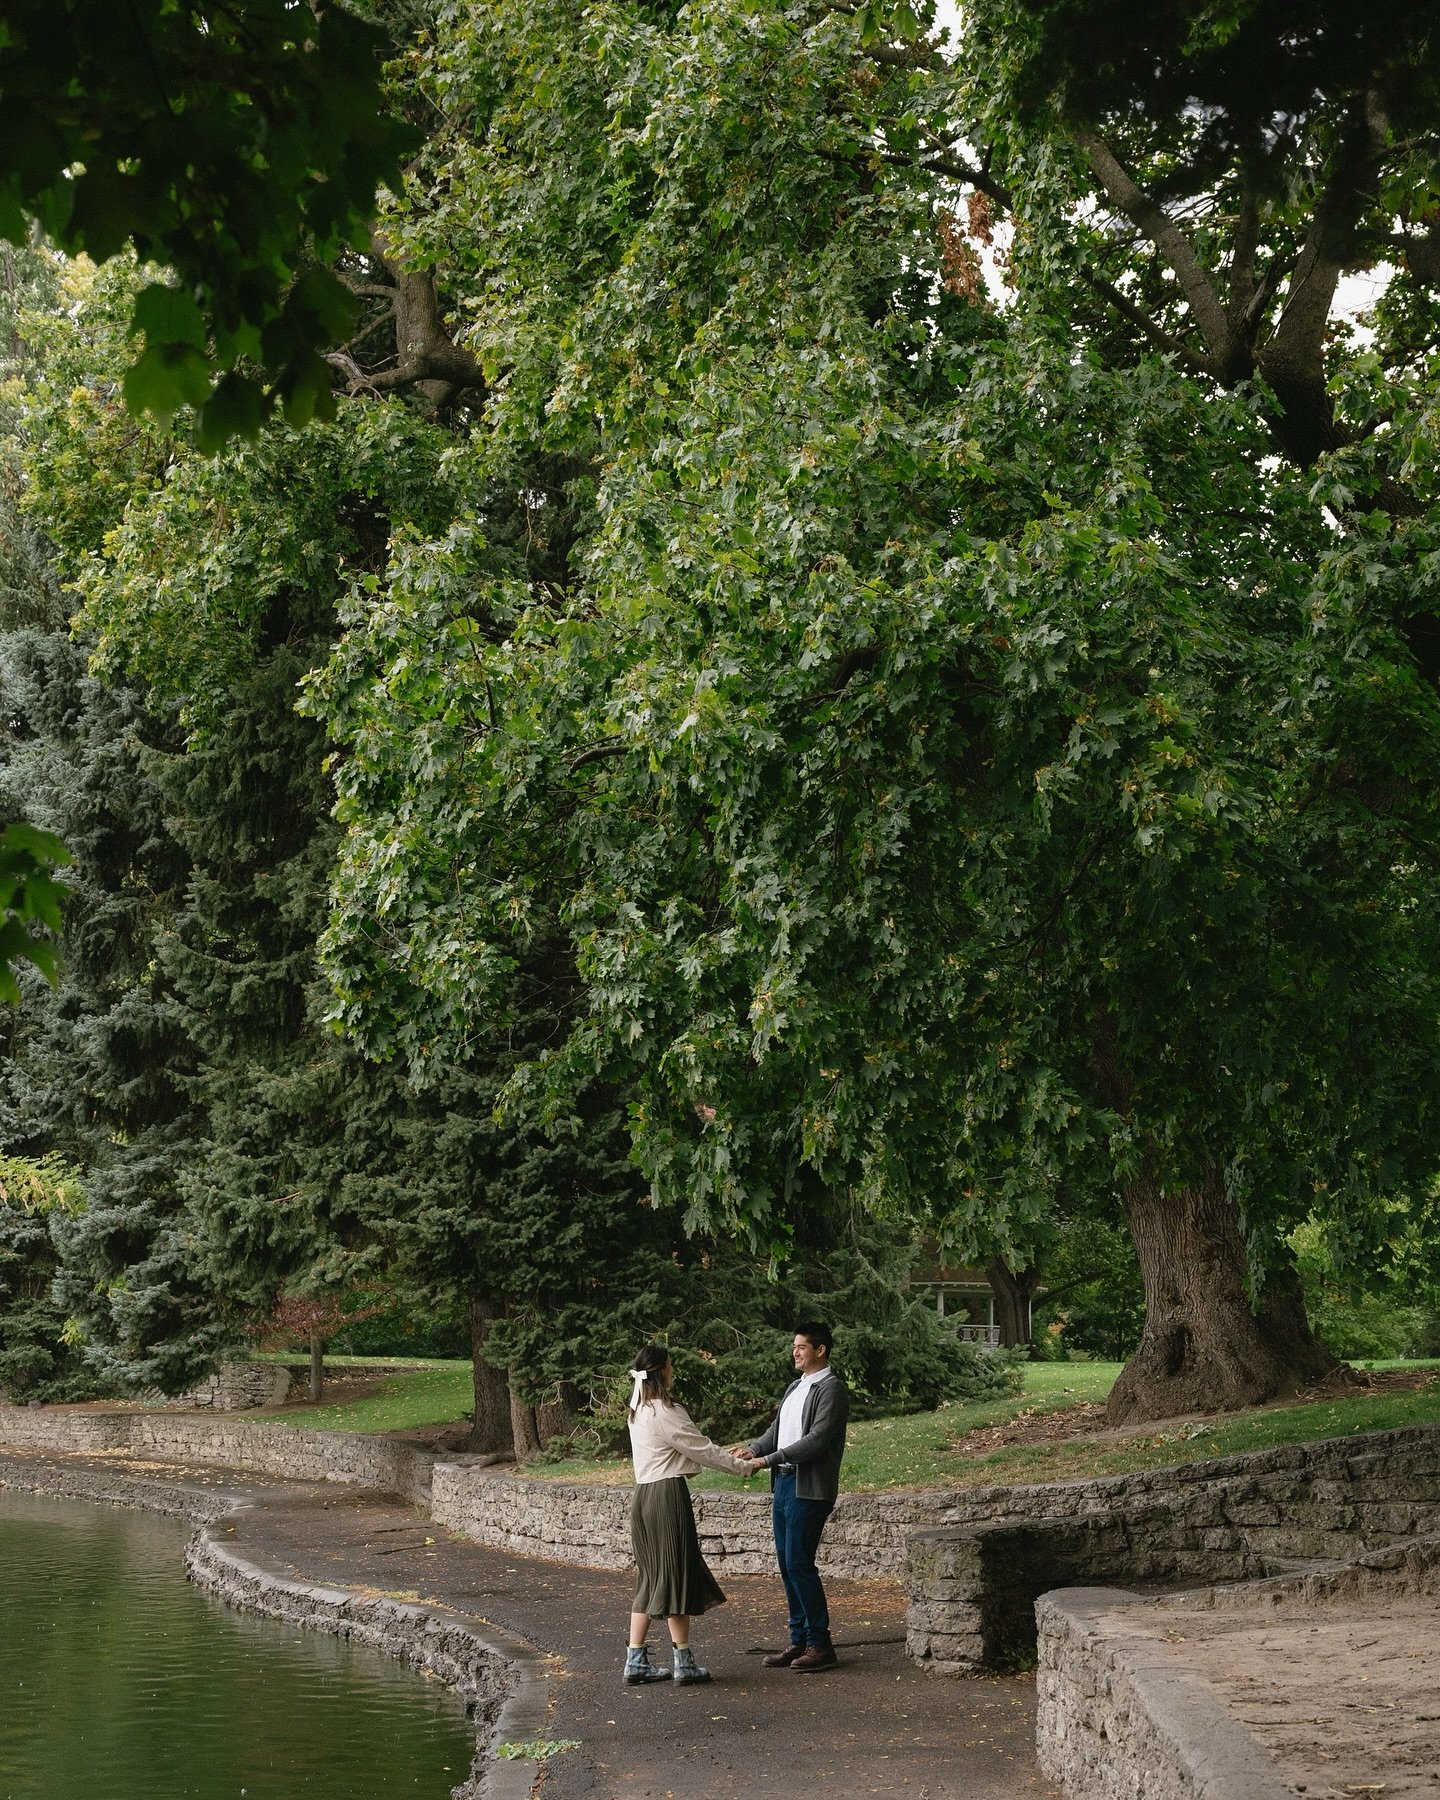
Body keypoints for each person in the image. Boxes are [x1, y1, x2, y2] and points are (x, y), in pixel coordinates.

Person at [624, 1342, 748, 1687]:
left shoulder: (637, 1410)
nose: (673, 1371)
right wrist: (742, 1466)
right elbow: (700, 1449)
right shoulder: (664, 1411)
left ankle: (635, 1660)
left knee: (650, 1577)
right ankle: (683, 1662)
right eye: (671, 1366)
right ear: (662, 1370)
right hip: (666, 1497)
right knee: (675, 1575)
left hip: (643, 1497)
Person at [733, 1321, 849, 1672]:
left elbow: (816, 1440)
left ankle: (820, 1644)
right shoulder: (795, 1388)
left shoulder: (831, 1389)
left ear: (820, 1350)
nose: (795, 1352)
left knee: (799, 1563)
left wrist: (767, 1459)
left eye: (801, 1347)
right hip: (783, 1485)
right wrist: (753, 1450)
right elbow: (777, 1432)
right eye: (794, 1346)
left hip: (809, 1488)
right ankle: (799, 1641)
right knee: (787, 1564)